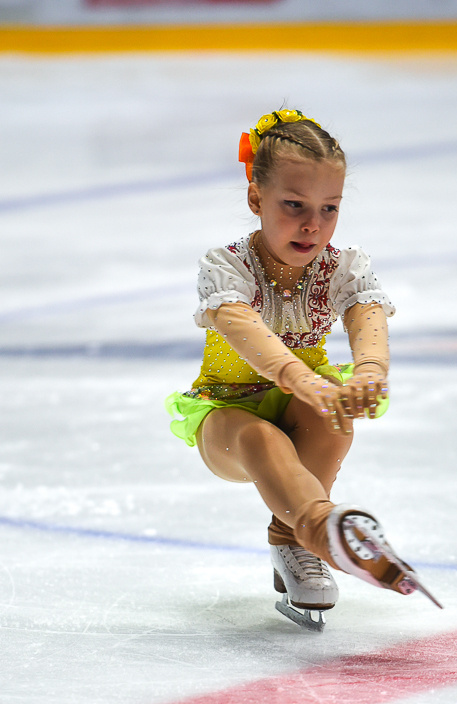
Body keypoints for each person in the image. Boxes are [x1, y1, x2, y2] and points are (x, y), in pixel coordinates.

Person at [166, 109, 440, 631]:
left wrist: (369, 371)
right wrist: (300, 378)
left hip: (305, 399)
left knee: (334, 413)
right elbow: (246, 331)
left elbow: (367, 313)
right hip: (226, 413)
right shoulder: (225, 265)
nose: (313, 224)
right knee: (264, 439)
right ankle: (319, 528)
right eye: (294, 206)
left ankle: (293, 538)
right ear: (256, 200)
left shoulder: (342, 265)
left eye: (329, 208)